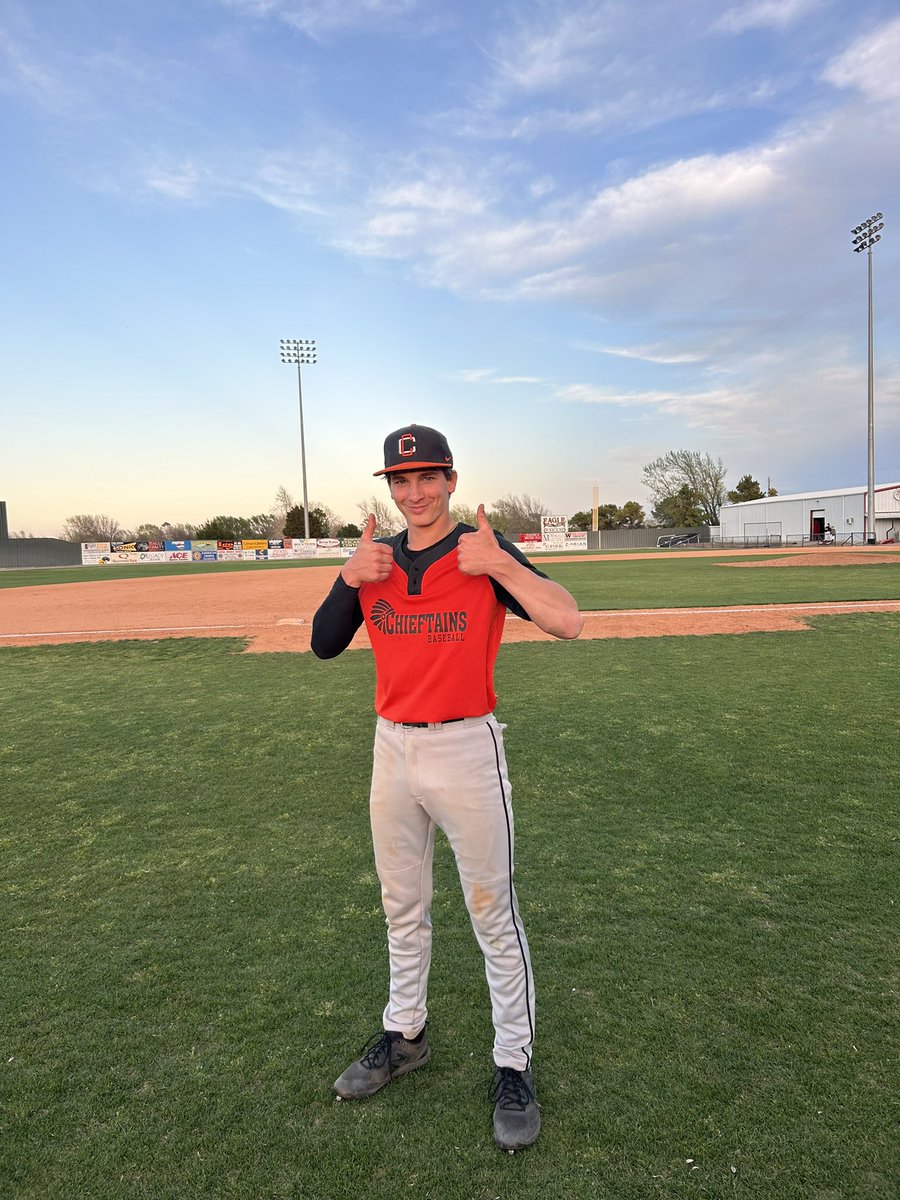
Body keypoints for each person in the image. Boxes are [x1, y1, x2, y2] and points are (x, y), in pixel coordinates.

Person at [311, 423, 583, 1151]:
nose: (415, 492)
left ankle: (513, 1063)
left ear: (452, 480)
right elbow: (323, 642)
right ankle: (405, 1035)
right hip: (392, 748)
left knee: (492, 913)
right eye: (401, 481)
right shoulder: (375, 560)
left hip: (466, 745)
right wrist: (347, 577)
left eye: (428, 477)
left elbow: (568, 620)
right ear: (390, 489)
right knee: (403, 906)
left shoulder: (480, 553)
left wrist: (503, 566)